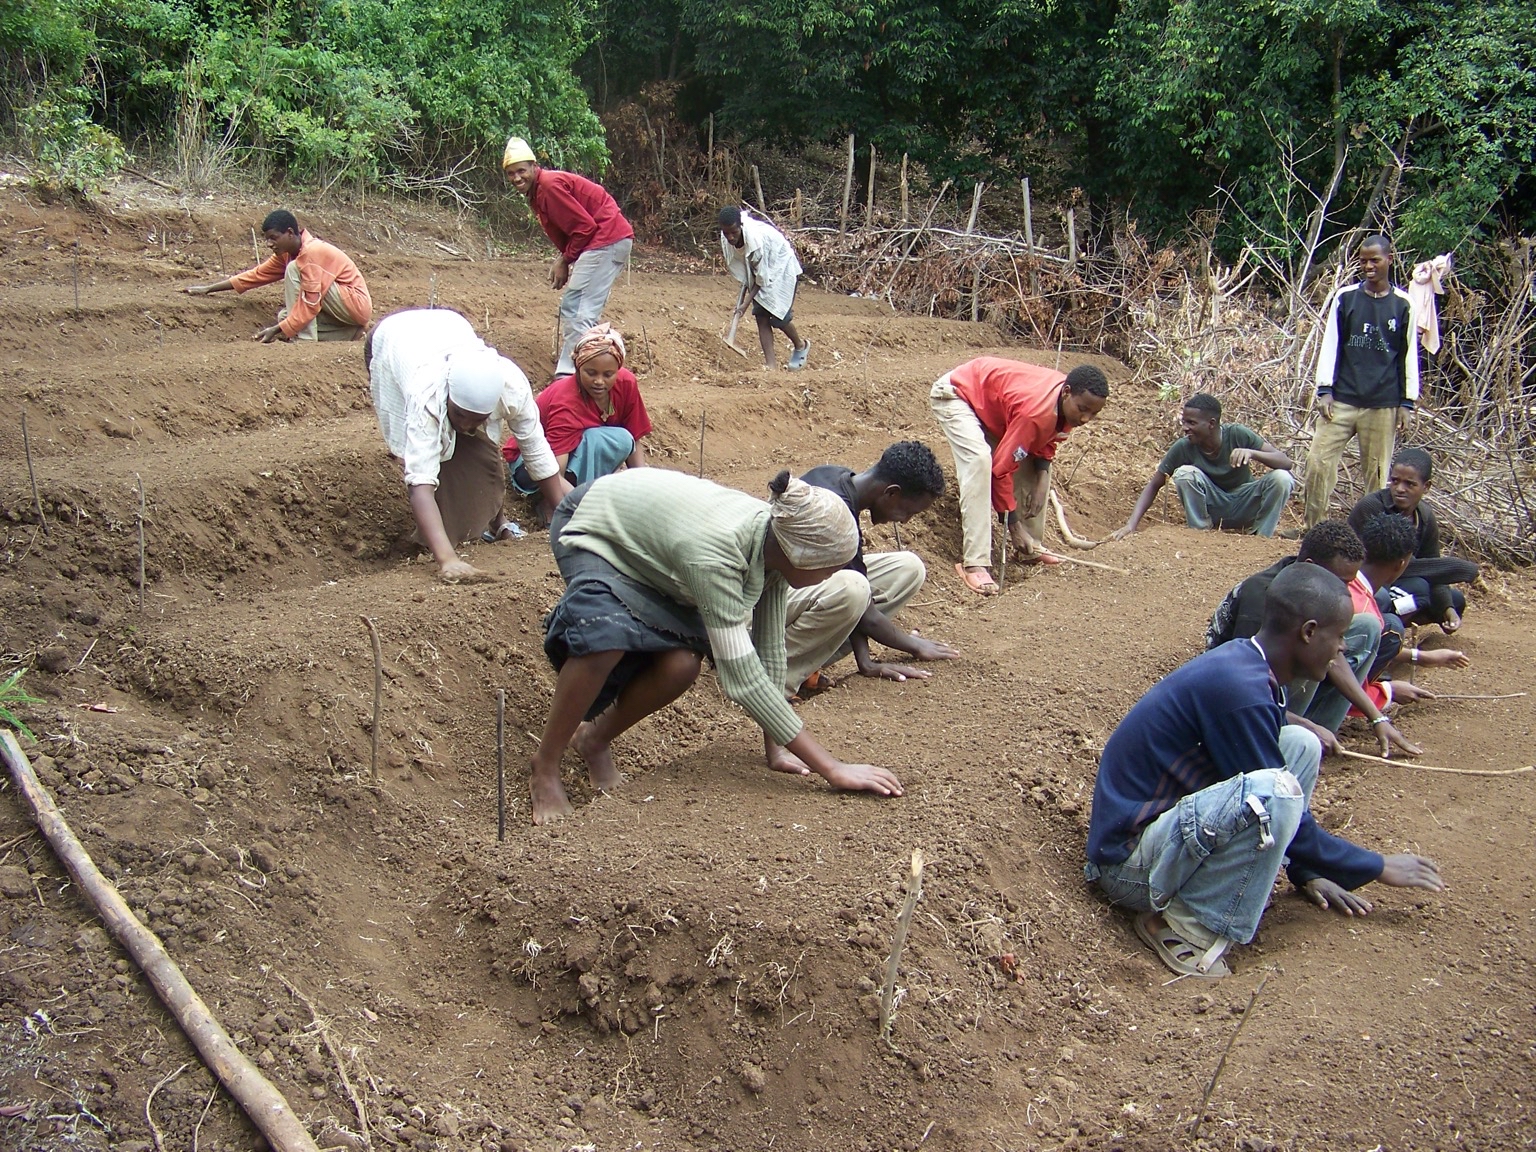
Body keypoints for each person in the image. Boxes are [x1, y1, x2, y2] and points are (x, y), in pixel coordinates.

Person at [1085, 563, 1446, 979]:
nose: (1343, 648)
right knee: (1276, 789)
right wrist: (1376, 866)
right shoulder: (1240, 690)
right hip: (1128, 866)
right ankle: (1180, 928)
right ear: (1309, 632)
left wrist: (1308, 869)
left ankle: (1286, 876)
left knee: (1301, 745)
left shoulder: (1249, 666)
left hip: (1163, 837)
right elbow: (1273, 795)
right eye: (1339, 635)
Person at [528, 468, 904, 824]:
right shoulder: (718, 556)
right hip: (595, 524)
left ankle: (594, 740)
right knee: (604, 639)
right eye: (829, 567)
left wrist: (775, 748)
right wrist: (832, 768)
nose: (833, 576)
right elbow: (743, 679)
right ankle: (545, 765)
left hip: (655, 543)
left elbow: (769, 651)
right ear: (801, 555)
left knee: (682, 665)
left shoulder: (776, 548)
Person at [365, 308, 571, 582]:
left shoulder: (511, 389)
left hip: (450, 327)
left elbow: (537, 453)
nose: (464, 424)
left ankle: (497, 522)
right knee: (421, 454)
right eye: (459, 415)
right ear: (448, 397)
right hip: (394, 342)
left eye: (477, 419)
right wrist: (447, 559)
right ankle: (438, 536)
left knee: (482, 445)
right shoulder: (426, 396)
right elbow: (420, 484)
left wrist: (567, 520)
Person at [1205, 520, 1419, 758]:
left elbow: (1335, 656)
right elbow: (1241, 689)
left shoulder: (1309, 589)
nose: (1346, 591)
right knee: (1313, 650)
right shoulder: (1264, 598)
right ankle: (1291, 742)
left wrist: (1377, 717)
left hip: (1270, 686)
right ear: (1311, 566)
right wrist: (1305, 727)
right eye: (1342, 582)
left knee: (1365, 626)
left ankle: (1315, 735)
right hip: (1238, 702)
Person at [784, 442, 960, 695]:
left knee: (908, 568)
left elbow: (857, 583)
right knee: (853, 590)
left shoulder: (837, 476)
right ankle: (777, 675)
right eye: (907, 511)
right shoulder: (834, 512)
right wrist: (914, 646)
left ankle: (809, 662)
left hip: (796, 592)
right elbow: (864, 611)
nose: (905, 520)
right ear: (891, 493)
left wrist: (865, 662)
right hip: (759, 611)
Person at [929, 357, 1110, 595]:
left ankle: (1030, 547)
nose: (1086, 419)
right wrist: (1012, 525)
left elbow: (1046, 441)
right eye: (1083, 410)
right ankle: (975, 563)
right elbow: (1000, 471)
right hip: (959, 394)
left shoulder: (1067, 406)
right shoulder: (1036, 413)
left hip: (994, 407)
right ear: (1066, 393)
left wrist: (1042, 480)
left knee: (1035, 468)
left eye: (1094, 414)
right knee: (980, 461)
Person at [1304, 234, 1419, 526]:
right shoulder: (1346, 297)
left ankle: (1371, 537)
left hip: (1382, 403)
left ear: (1389, 260)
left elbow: (1408, 355)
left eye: (1375, 260)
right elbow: (1330, 344)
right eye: (1363, 261)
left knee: (1377, 476)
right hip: (1341, 398)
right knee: (1318, 463)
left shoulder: (1403, 304)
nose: (1369, 266)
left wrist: (1407, 402)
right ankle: (1315, 529)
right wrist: (1324, 390)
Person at [501, 137, 634, 376]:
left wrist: (564, 260)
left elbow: (584, 227)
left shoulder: (549, 186)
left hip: (606, 239)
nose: (516, 178)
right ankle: (591, 367)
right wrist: (567, 258)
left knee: (579, 309)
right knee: (578, 307)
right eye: (511, 173)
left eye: (521, 170)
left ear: (534, 166)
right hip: (605, 240)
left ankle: (569, 376)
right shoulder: (538, 192)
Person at [503, 324, 651, 507]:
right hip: (531, 467)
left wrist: (645, 490)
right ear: (578, 366)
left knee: (622, 439)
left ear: (618, 370)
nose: (599, 381)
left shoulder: (626, 384)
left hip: (573, 457)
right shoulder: (566, 401)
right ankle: (549, 504)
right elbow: (553, 471)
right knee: (595, 439)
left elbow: (634, 438)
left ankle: (584, 494)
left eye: (608, 374)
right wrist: (580, 507)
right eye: (591, 373)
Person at [1111, 392, 1294, 539]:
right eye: (1184, 421)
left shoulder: (1237, 434)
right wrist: (1131, 525)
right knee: (1184, 473)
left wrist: (1252, 453)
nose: (1185, 427)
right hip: (1212, 507)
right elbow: (1154, 485)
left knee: (1282, 478)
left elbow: (1285, 463)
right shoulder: (1184, 447)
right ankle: (1200, 534)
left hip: (1244, 504)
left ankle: (1261, 536)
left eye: (1191, 422)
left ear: (1211, 424)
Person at [185, 210, 371, 343]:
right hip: (345, 313)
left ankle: (305, 341)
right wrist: (209, 288)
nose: (269, 244)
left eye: (273, 238)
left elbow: (310, 304)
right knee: (285, 316)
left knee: (293, 276)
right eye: (267, 239)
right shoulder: (287, 253)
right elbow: (255, 276)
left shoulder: (311, 252)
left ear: (290, 233)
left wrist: (277, 329)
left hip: (354, 303)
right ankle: (350, 333)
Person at [1347, 447, 1478, 633]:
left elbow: (1432, 572)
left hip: (1400, 585)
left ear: (1427, 486)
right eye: (1395, 481)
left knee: (1453, 601)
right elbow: (1382, 563)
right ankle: (1383, 628)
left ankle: (1395, 620)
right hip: (1365, 583)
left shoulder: (1424, 517)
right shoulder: (1372, 507)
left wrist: (1448, 610)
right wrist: (1455, 568)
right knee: (1417, 589)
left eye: (1410, 484)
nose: (1399, 489)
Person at [719, 206, 810, 370]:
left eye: (734, 232)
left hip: (780, 266)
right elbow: (745, 266)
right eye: (726, 233)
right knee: (760, 315)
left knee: (778, 317)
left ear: (741, 226)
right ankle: (771, 366)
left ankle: (800, 345)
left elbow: (761, 278)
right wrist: (748, 295)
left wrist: (745, 304)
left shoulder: (755, 242)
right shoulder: (726, 236)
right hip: (761, 268)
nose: (730, 237)